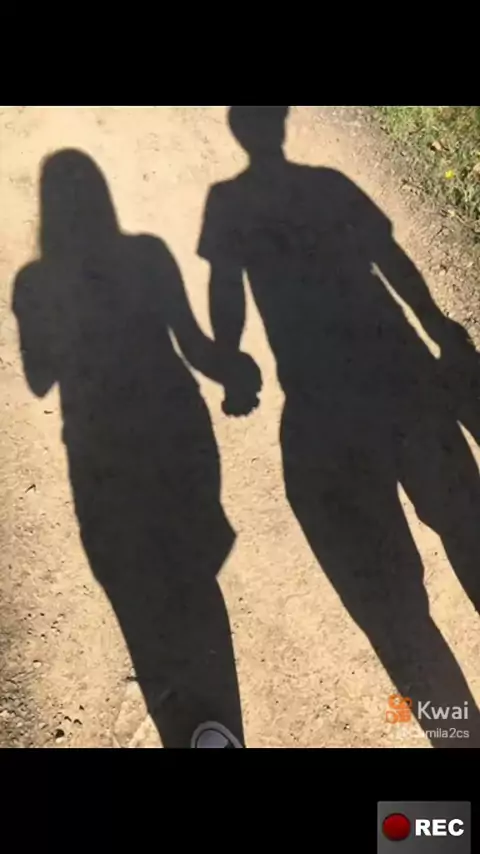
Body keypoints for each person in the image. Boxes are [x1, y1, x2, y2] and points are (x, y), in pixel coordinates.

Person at [198, 106, 480, 747]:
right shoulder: (327, 183)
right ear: (283, 125)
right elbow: (388, 257)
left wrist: (233, 361)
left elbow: (226, 288)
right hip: (404, 377)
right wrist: (437, 327)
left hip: (325, 407)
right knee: (469, 527)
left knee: (396, 604)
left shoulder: (228, 202)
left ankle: (458, 736)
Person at [13, 149, 259, 748]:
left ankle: (194, 718)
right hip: (178, 429)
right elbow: (193, 346)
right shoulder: (148, 253)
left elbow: (40, 380)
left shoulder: (35, 282)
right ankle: (217, 731)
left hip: (102, 451)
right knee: (192, 572)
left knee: (136, 583)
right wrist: (234, 371)